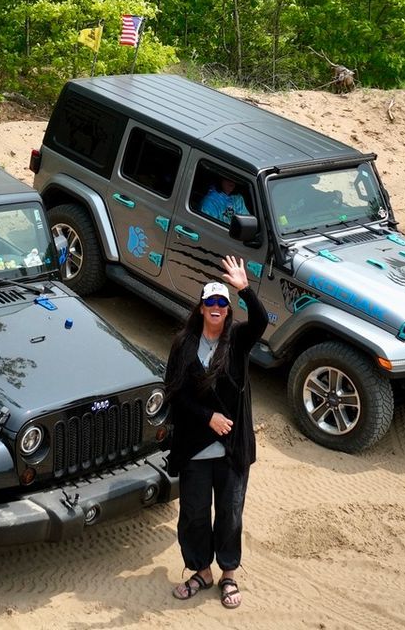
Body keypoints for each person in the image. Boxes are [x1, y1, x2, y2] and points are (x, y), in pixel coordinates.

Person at [164, 254, 265, 610]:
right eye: (211, 302)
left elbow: (262, 321)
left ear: (227, 309)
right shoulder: (184, 344)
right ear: (202, 308)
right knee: (193, 513)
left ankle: (228, 574)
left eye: (223, 302)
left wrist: (245, 289)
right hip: (195, 447)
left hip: (231, 450)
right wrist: (208, 417)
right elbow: (175, 394)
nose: (217, 307)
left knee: (230, 512)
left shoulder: (237, 341)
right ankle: (201, 571)